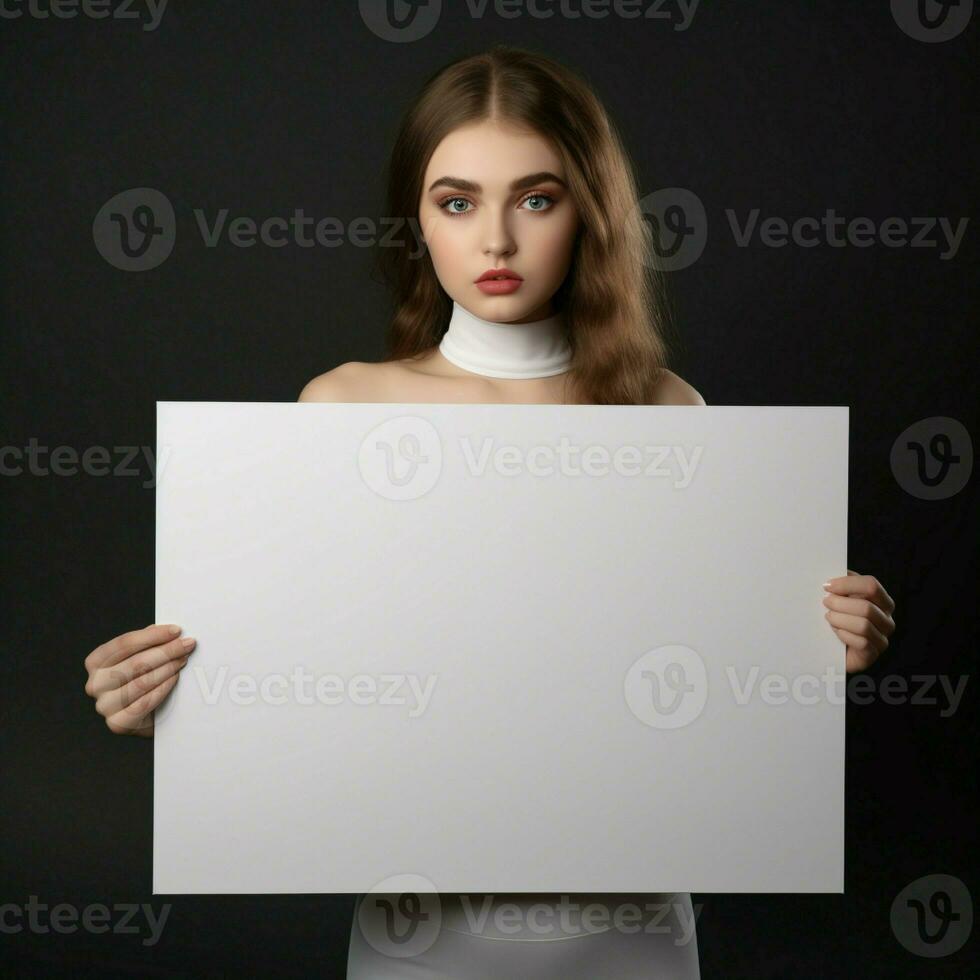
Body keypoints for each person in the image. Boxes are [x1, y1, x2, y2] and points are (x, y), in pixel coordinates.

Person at [83, 45, 897, 979]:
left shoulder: (669, 412)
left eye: (537, 198)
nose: (497, 241)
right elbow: (308, 680)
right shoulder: (345, 409)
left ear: (590, 208)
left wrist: (820, 645)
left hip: (634, 931)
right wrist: (174, 708)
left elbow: (704, 692)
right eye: (458, 201)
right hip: (419, 934)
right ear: (418, 220)